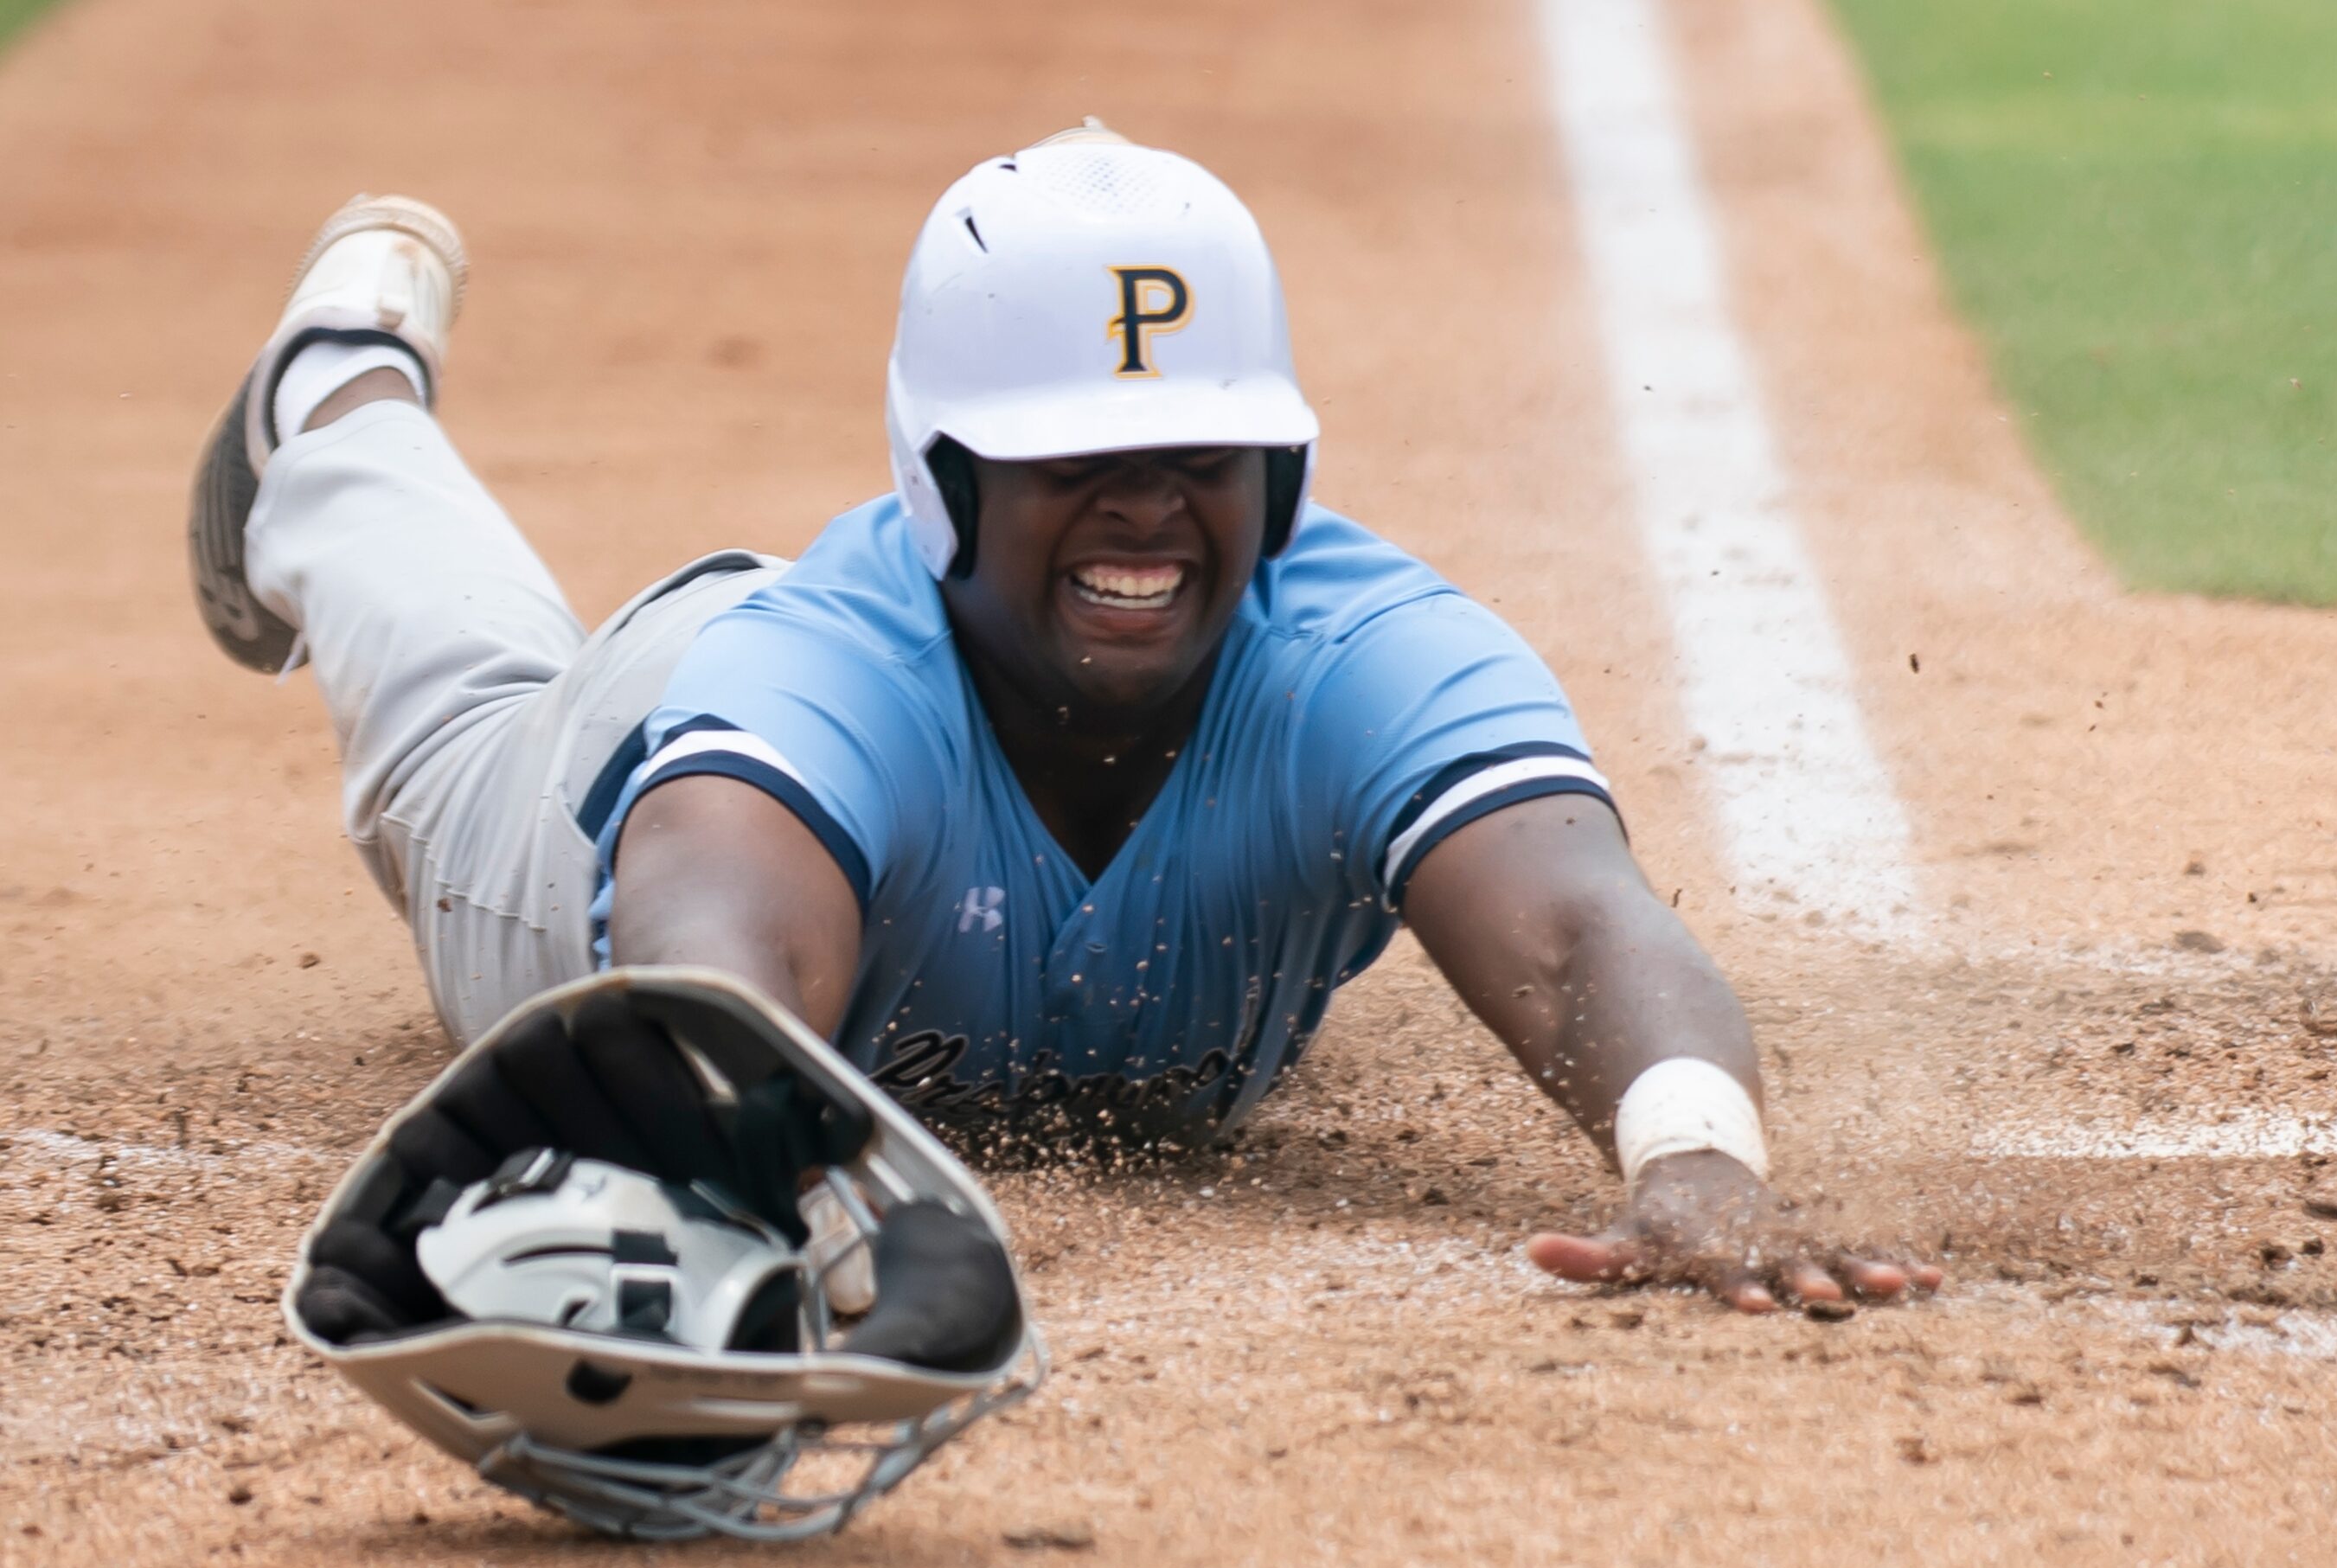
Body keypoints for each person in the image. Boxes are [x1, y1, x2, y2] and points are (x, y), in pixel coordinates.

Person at [188, 124, 1940, 1314]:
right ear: (943, 475)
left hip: (834, 717)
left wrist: (1694, 1162)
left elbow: (1571, 921)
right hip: (649, 745)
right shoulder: (808, 698)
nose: (1146, 512)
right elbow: (710, 956)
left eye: (1200, 458)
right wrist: (755, 1173)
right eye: (1069, 464)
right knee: (453, 720)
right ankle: (336, 401)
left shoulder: (1358, 647)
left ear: (1281, 466)